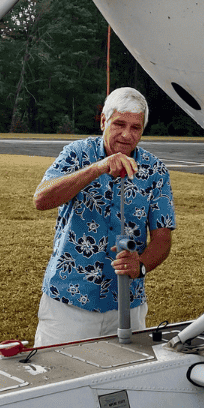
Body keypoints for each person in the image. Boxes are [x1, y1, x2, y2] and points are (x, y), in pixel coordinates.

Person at [32, 87, 176, 346]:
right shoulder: (77, 154)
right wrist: (97, 168)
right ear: (103, 121)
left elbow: (163, 236)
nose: (126, 134)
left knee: (126, 379)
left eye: (136, 127)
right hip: (69, 301)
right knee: (60, 377)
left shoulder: (155, 170)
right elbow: (41, 199)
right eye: (119, 124)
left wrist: (141, 265)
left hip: (126, 303)